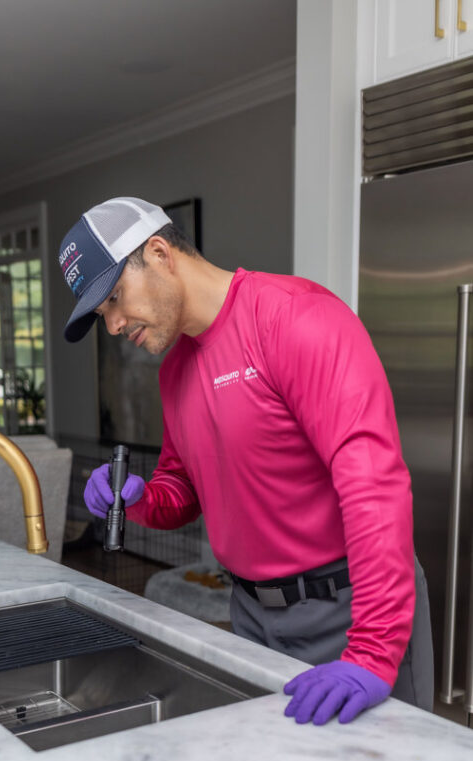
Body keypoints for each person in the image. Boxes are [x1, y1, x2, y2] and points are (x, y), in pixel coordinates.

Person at [57, 196, 434, 726]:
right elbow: (182, 489)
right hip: (253, 616)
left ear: (161, 253)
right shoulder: (174, 372)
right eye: (103, 315)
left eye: (116, 297)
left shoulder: (296, 319)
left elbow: (374, 487)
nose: (115, 325)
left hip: (350, 612)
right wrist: (138, 497)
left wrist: (371, 652)